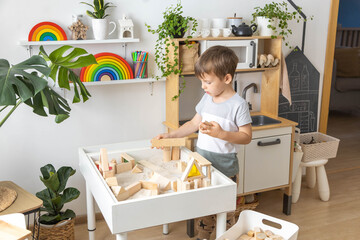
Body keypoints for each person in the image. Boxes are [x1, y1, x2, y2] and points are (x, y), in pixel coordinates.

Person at [152, 45, 252, 240]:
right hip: (202, 164)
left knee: (226, 211)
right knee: (204, 207)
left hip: (226, 168)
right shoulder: (207, 99)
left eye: (207, 82)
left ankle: (227, 236)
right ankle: (203, 236)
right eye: (202, 82)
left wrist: (222, 133)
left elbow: (246, 136)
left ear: (227, 79)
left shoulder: (238, 105)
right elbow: (193, 123)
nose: (203, 86)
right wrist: (172, 135)